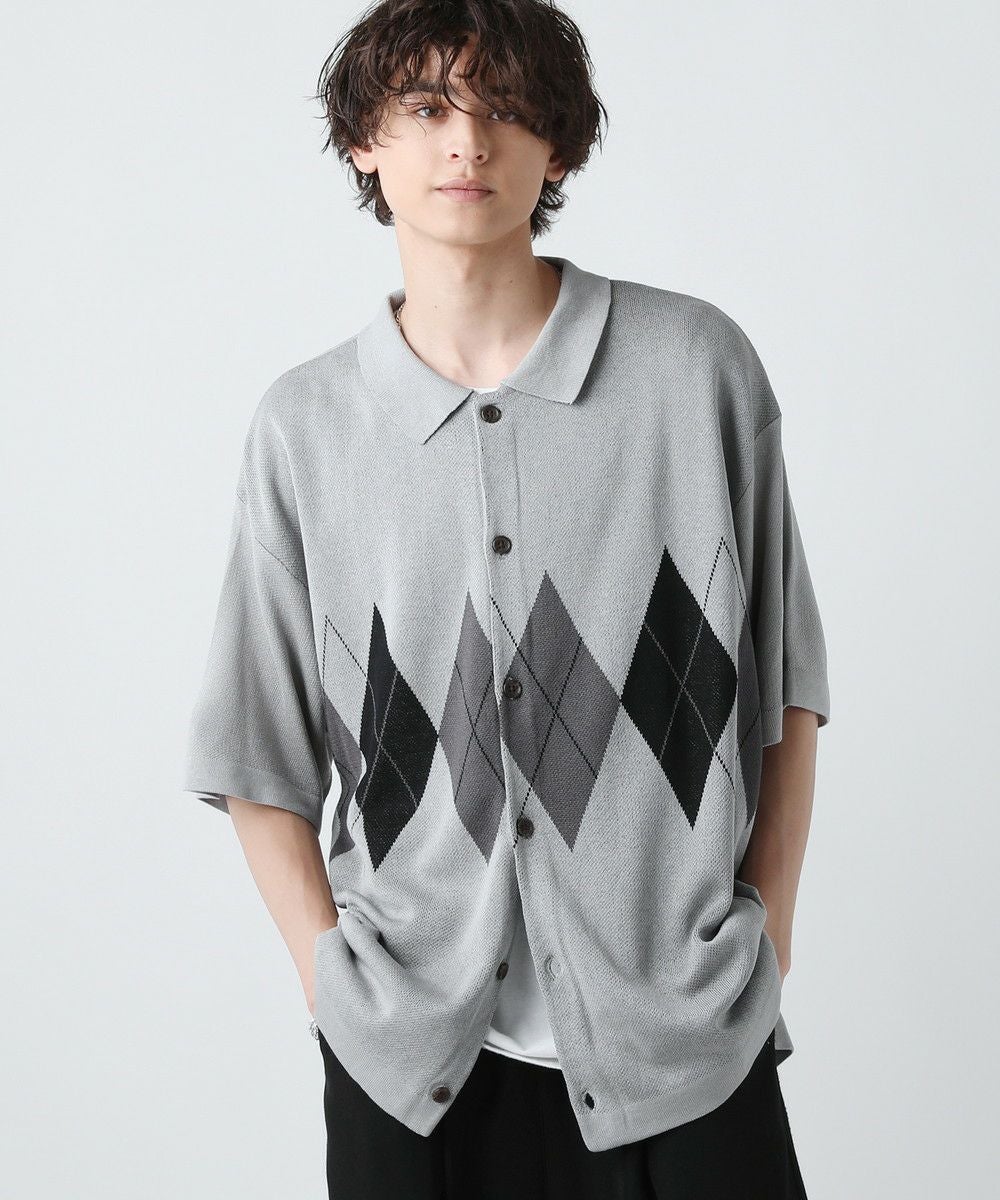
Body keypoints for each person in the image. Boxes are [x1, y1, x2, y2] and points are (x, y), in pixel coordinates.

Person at [181, 2, 831, 1196]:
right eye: (426, 107)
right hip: (415, 1066)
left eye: (505, 108)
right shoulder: (307, 429)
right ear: (364, 142)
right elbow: (254, 752)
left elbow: (783, 685)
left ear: (561, 146)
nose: (466, 142)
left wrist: (765, 936)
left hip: (685, 1044)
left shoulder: (694, 372)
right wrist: (333, 980)